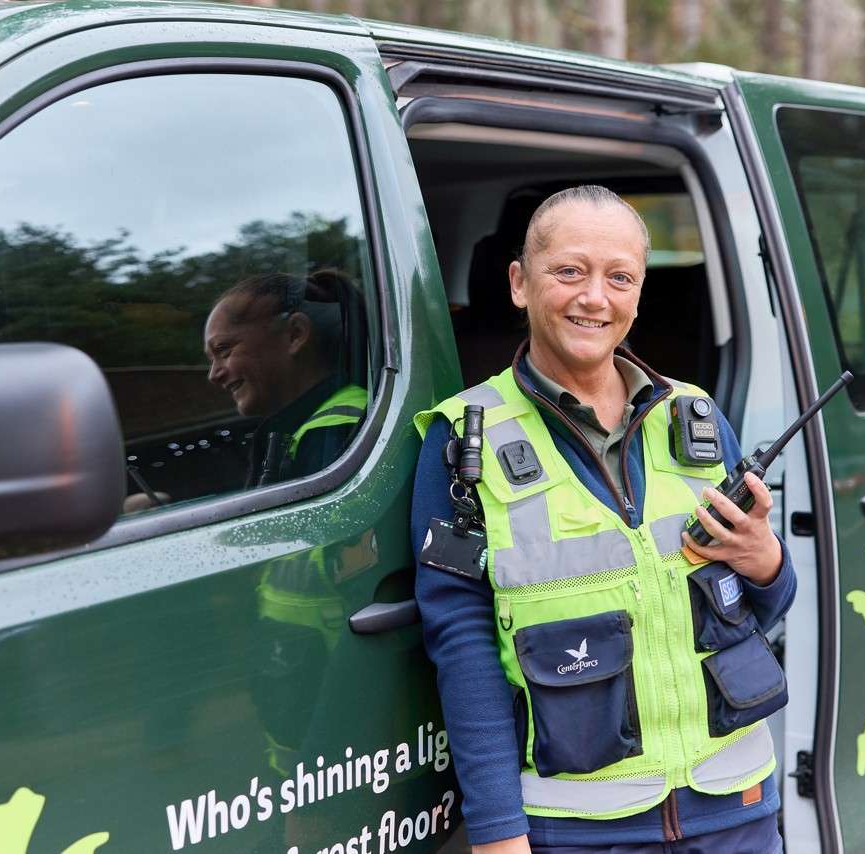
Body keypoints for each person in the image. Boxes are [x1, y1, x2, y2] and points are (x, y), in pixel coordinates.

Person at [411, 186, 795, 853]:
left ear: (639, 295)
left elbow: (760, 609)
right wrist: (499, 831)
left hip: (737, 810)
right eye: (569, 271)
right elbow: (462, 647)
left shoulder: (695, 417)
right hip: (580, 830)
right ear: (518, 283)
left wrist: (768, 561)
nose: (595, 297)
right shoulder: (461, 444)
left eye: (620, 277)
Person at [204, 270, 367, 488]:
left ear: (295, 334)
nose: (213, 375)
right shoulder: (307, 428)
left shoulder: (337, 429)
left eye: (224, 350)